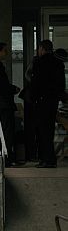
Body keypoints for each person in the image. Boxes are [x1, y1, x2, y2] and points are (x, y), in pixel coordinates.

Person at [31, 40, 65, 168]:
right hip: (53, 102)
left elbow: (36, 83)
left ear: (41, 49)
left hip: (41, 101)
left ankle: (47, 159)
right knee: (49, 130)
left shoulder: (39, 63)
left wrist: (33, 98)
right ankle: (50, 158)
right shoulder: (58, 63)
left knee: (42, 131)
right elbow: (62, 84)